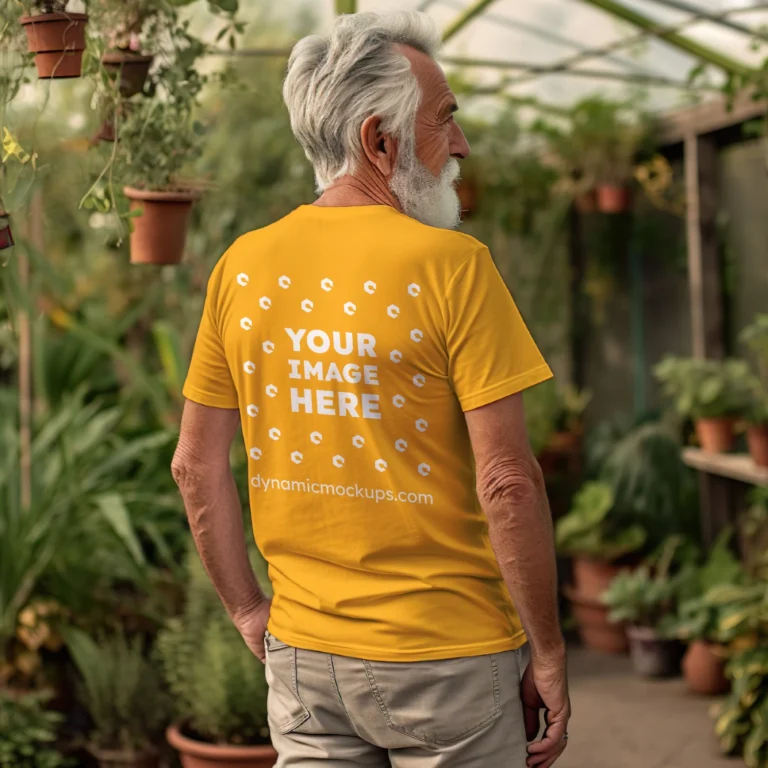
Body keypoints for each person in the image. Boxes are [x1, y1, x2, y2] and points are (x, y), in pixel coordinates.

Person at [173, 10, 570, 768]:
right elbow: (509, 482)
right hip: (449, 662)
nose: (460, 144)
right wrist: (548, 651)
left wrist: (248, 609)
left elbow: (195, 467)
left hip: (303, 663)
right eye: (445, 119)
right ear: (378, 140)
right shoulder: (453, 266)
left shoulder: (242, 267)